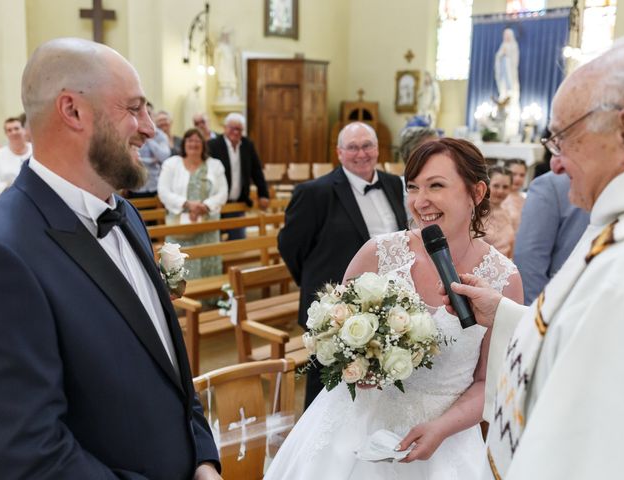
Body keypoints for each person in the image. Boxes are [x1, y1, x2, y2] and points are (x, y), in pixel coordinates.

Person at [0, 38, 221, 479]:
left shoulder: (125, 214)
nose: (150, 128)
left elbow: (168, 366)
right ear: (73, 111)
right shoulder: (6, 251)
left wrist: (203, 459)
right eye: (134, 109)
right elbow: (28, 450)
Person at [267, 138, 523, 479]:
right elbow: (333, 333)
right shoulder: (377, 254)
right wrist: (357, 367)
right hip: (356, 429)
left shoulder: (503, 279)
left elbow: (486, 382)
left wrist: (441, 427)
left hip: (444, 440)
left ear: (476, 193)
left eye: (436, 186)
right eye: (413, 187)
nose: (420, 202)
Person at [443, 37, 624, 479]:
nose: (556, 165)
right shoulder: (611, 226)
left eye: (563, 139)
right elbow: (575, 334)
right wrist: (505, 315)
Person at [278, 122, 407, 408]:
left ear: (377, 149)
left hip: (387, 304)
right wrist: (321, 288)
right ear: (339, 152)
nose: (361, 153)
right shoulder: (314, 193)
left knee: (377, 384)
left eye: (367, 145)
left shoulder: (394, 185)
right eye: (353, 147)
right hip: (336, 307)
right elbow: (291, 247)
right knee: (325, 386)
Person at [158, 128, 228, 279]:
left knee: (207, 263)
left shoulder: (215, 165)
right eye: (190, 140)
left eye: (197, 140)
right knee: (179, 265)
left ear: (204, 144)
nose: (193, 144)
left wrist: (205, 206)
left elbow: (223, 192)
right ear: (184, 144)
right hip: (178, 226)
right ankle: (177, 300)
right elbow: (163, 191)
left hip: (208, 226)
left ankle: (210, 299)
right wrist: (187, 204)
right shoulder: (171, 164)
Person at [513, 171, 589, 304]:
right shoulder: (552, 185)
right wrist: (538, 314)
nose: (556, 164)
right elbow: (529, 257)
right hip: (563, 303)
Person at [208, 112, 270, 239]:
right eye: (232, 128)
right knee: (215, 241)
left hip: (239, 202)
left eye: (239, 129)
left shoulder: (247, 145)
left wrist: (263, 194)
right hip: (216, 203)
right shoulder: (213, 145)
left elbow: (257, 171)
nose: (235, 132)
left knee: (238, 241)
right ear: (225, 128)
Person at [128, 101, 171, 198]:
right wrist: (152, 160)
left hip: (154, 186)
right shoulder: (130, 133)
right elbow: (130, 159)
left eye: (149, 113)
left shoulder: (160, 136)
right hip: (134, 187)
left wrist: (148, 137)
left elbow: (164, 157)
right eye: (140, 113)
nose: (145, 116)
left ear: (153, 116)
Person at [0, 116, 32, 197]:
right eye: (9, 130)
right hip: (8, 197)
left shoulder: (35, 150)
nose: (14, 132)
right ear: (6, 134)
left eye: (16, 128)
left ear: (23, 130)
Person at [483, 166, 515, 257]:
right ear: (486, 185)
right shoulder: (476, 214)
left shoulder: (507, 213)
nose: (500, 191)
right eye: (496, 186)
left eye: (505, 187)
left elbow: (510, 247)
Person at [502, 158, 527, 231]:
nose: (518, 178)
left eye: (522, 175)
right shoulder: (499, 199)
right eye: (514, 174)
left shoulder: (526, 199)